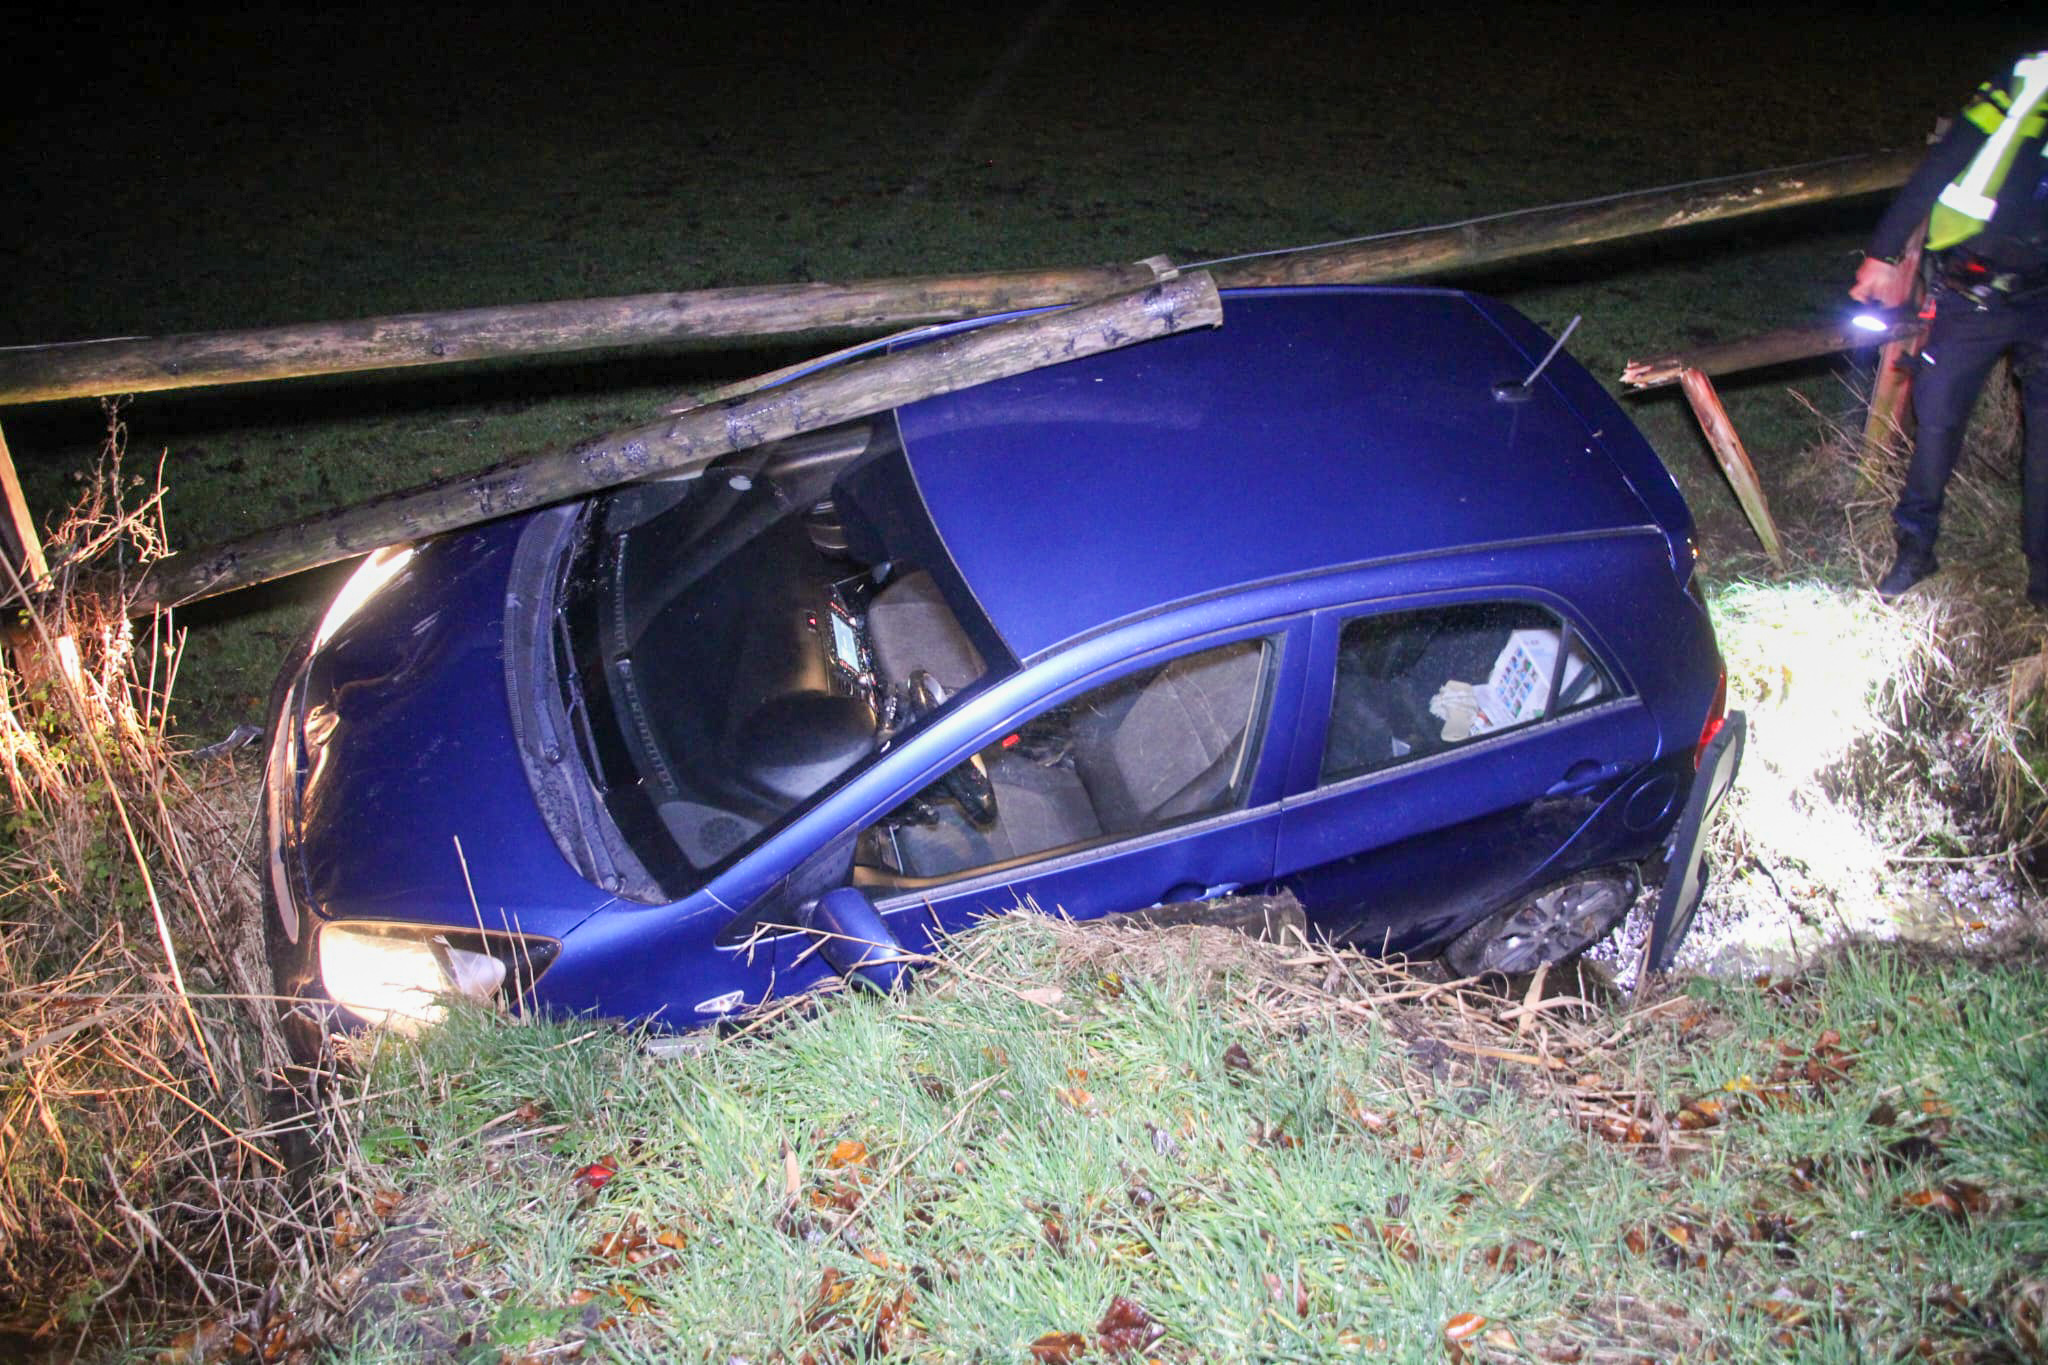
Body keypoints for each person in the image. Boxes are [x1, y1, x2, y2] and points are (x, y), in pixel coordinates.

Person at [1850, 50, 2048, 602]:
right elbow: (1946, 160)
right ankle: (1915, 549)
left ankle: (2044, 582)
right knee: (1936, 421)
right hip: (1973, 294)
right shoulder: (2028, 81)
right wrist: (1884, 253)